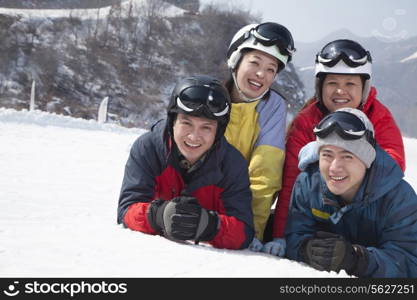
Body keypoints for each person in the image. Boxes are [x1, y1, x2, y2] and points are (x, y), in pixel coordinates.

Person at [265, 39, 406, 256]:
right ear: (320, 87)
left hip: (368, 218)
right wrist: (281, 235)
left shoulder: (379, 116)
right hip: (322, 216)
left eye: (350, 84)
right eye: (332, 83)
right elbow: (291, 182)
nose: (340, 91)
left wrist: (347, 150)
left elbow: (394, 164)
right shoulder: (306, 121)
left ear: (364, 88)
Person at [117, 75, 255, 250]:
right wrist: (158, 215)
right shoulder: (148, 149)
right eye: (186, 123)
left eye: (206, 127)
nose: (193, 137)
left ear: (218, 132)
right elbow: (126, 211)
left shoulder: (232, 165)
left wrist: (208, 225)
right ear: (172, 121)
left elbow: (244, 232)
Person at [285, 108, 417, 278]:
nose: (334, 167)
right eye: (327, 155)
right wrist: (306, 250)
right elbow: (294, 236)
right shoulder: (308, 184)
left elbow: (409, 262)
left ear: (366, 160)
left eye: (347, 156)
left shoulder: (398, 198)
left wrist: (358, 260)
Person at [223, 22, 296, 253]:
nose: (260, 74)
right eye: (254, 62)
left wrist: (251, 229)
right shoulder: (211, 96)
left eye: (271, 69)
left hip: (241, 215)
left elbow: (265, 173)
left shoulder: (272, 107)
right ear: (236, 61)